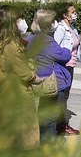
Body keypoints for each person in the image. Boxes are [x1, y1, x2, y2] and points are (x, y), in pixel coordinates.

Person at [0, 5, 44, 150]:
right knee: (22, 138)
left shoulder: (1, 40)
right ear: (13, 22)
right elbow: (23, 72)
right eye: (20, 19)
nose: (23, 22)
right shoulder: (10, 44)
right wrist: (36, 78)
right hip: (17, 95)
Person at [28, 9, 72, 138]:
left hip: (38, 81)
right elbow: (65, 56)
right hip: (52, 84)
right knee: (51, 120)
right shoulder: (47, 41)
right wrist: (66, 46)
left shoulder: (30, 38)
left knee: (42, 115)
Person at [54, 3, 81, 135]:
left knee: (65, 96)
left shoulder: (71, 28)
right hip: (64, 66)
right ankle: (61, 125)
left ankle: (61, 123)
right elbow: (55, 47)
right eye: (72, 11)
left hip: (71, 65)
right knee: (62, 97)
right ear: (65, 15)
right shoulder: (61, 29)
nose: (75, 13)